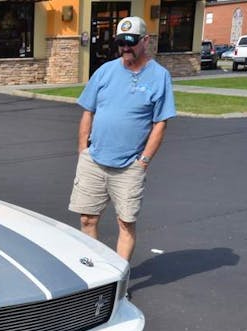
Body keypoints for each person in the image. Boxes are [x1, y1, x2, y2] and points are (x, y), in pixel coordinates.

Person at [68, 16, 176, 262]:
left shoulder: (159, 76)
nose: (126, 48)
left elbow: (160, 123)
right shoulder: (105, 71)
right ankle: (97, 272)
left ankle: (119, 279)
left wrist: (143, 162)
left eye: (131, 42)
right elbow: (88, 111)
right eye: (121, 42)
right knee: (87, 219)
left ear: (145, 40)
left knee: (125, 223)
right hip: (93, 160)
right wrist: (82, 150)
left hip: (129, 166)